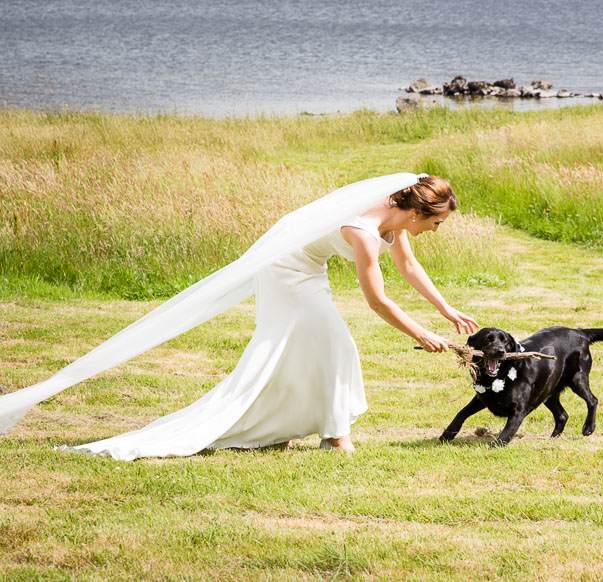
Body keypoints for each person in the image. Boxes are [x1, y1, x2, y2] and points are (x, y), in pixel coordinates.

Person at [0, 173, 477, 459]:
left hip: (310, 268)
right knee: (335, 344)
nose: (436, 230)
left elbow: (409, 267)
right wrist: (421, 332)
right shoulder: (365, 231)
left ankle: (280, 430)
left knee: (303, 351)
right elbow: (377, 301)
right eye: (436, 223)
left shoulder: (398, 219)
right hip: (285, 270)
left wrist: (445, 309)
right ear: (417, 213)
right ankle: (336, 437)